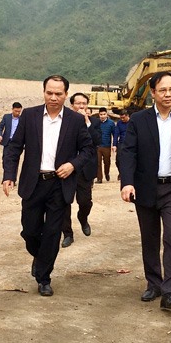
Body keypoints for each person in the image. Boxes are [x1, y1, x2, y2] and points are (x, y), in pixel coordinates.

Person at [2, 75, 94, 297]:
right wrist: (9, 175)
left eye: (58, 94)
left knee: (52, 233)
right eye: (49, 93)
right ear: (43, 92)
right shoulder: (29, 115)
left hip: (59, 185)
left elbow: (87, 150)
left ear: (65, 95)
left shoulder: (75, 120)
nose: (53, 97)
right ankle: (40, 256)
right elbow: (14, 147)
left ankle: (44, 278)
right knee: (30, 231)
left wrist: (72, 165)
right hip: (33, 183)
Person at [119, 72, 171, 311]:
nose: (168, 94)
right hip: (145, 187)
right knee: (150, 237)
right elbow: (128, 152)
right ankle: (154, 283)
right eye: (163, 90)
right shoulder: (138, 120)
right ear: (153, 93)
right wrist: (127, 182)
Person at [61, 92, 101, 248]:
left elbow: (97, 141)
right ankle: (67, 234)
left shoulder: (94, 122)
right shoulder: (64, 121)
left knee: (85, 202)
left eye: (84, 103)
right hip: (66, 169)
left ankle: (83, 218)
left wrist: (87, 122)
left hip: (85, 169)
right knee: (64, 203)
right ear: (72, 105)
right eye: (78, 103)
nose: (81, 106)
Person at [0, 102, 23, 185]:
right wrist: (0, 135)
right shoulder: (6, 117)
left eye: (19, 111)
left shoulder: (22, 119)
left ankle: (12, 179)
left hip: (17, 143)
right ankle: (6, 178)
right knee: (5, 160)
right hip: (7, 142)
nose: (17, 113)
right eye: (16, 111)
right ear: (12, 109)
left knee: (15, 161)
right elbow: (0, 127)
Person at [96, 107, 115, 183]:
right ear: (99, 115)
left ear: (107, 114)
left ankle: (107, 173)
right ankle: (99, 178)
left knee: (107, 162)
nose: (102, 116)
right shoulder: (96, 122)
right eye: (101, 114)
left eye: (104, 114)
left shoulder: (111, 123)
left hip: (107, 146)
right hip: (98, 146)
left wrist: (114, 144)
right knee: (98, 163)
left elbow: (114, 134)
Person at [112, 108, 130, 180]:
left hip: (130, 143)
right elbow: (116, 134)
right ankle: (121, 172)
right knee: (118, 160)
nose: (122, 119)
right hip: (122, 143)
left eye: (123, 117)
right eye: (121, 118)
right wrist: (114, 145)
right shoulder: (119, 123)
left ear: (127, 116)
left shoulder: (132, 122)